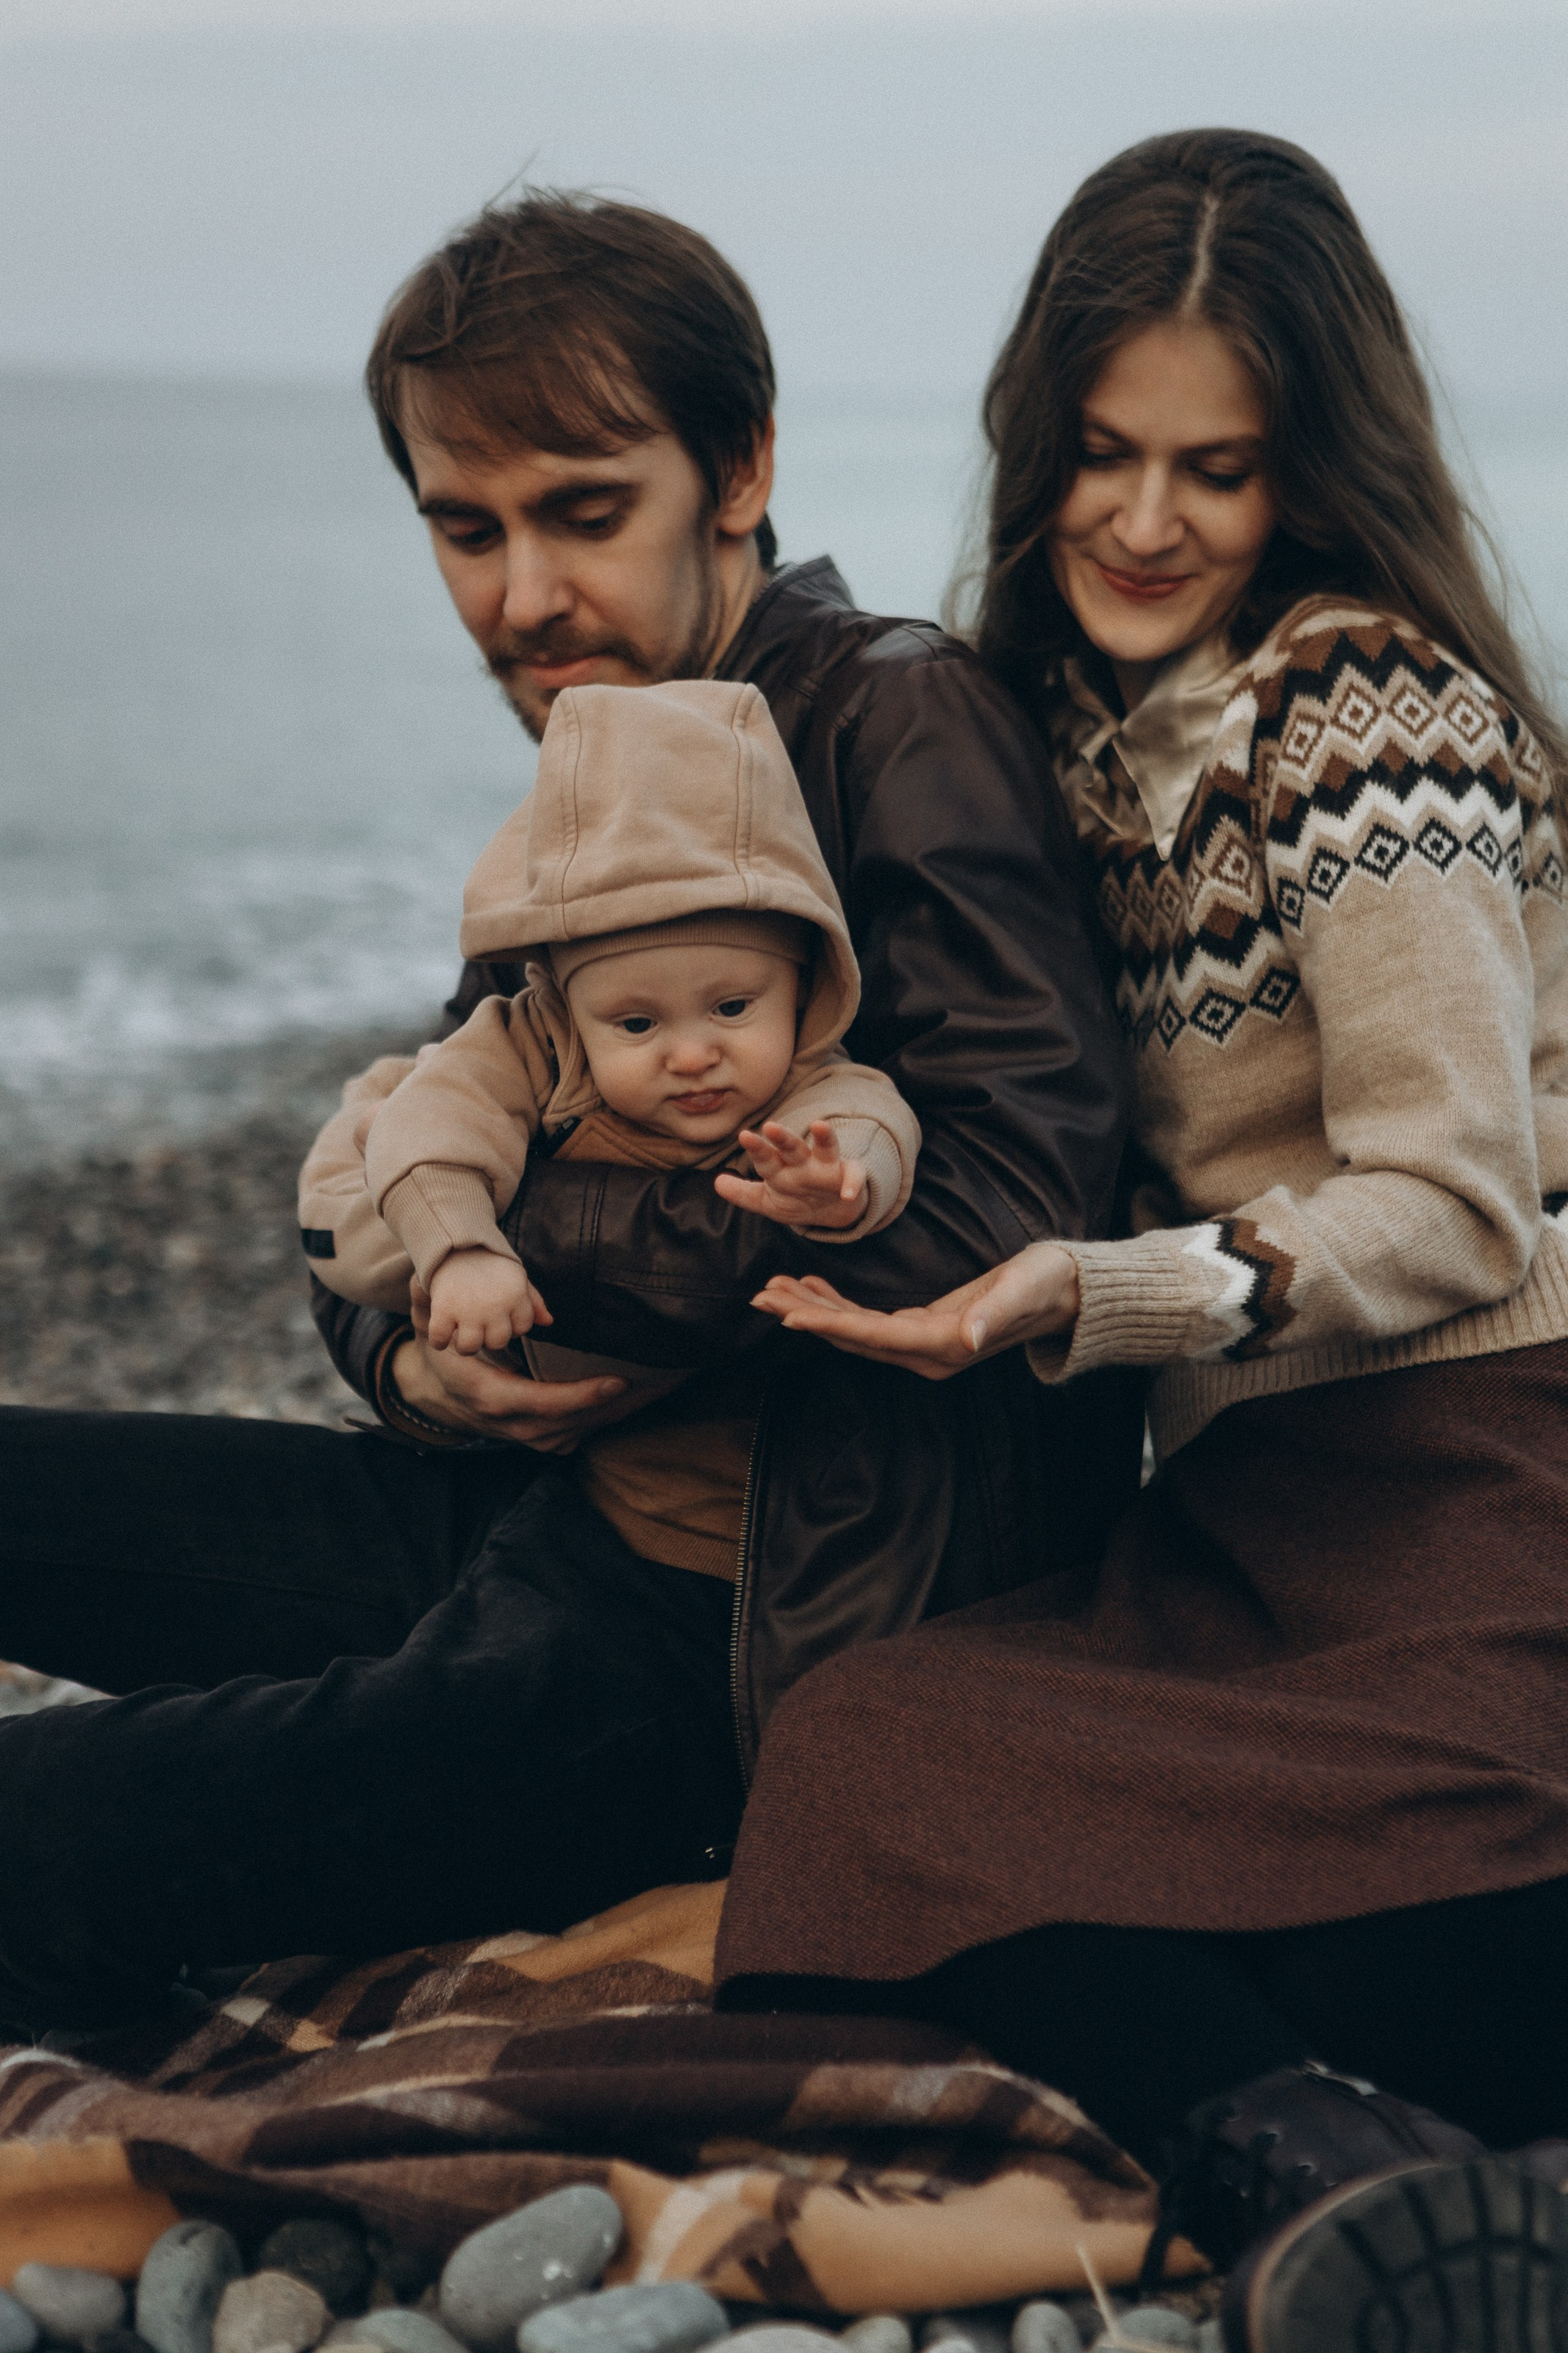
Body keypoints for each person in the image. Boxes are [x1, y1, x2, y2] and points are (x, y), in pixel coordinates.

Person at [0, 195, 1134, 2032]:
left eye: (583, 513)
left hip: (752, 1624)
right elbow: (408, 1148)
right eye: (468, 529)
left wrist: (558, 1270)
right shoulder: (600, 778)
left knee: (46, 1827)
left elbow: (1016, 1192)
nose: (522, 595)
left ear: (739, 468)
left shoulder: (894, 719)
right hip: (526, 1507)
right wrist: (412, 1365)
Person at [712, 131, 1568, 2351]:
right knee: (856, 1752)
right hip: (1257, 1500)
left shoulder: (1362, 705)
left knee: (1417, 1887)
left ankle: (1312, 2136)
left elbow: (1457, 1196)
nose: (1146, 518)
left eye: (1218, 467)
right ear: (1039, 443)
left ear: (1311, 472)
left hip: (1490, 1451)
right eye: (1103, 453)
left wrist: (1095, 1295)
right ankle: (1325, 2165)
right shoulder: (1070, 736)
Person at [302, 676, 921, 1572]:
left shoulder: (804, 1079)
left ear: (801, 983)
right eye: (636, 1023)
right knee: (372, 1214)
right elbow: (439, 1118)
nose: (693, 1054)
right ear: (569, 1012)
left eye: (734, 1006)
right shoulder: (532, 1047)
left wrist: (845, 1179)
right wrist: (461, 1249)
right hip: (429, 1234)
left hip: (646, 1477)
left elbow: (869, 1111)